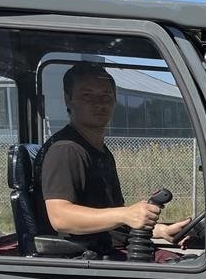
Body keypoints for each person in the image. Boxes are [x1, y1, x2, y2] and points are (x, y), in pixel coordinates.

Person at [40, 61, 187, 256]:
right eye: (87, 96)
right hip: (88, 261)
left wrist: (160, 230)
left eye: (106, 96)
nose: (99, 103)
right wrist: (125, 214)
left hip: (111, 251)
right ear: (68, 99)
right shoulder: (66, 150)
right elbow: (60, 217)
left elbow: (110, 221)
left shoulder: (100, 151)